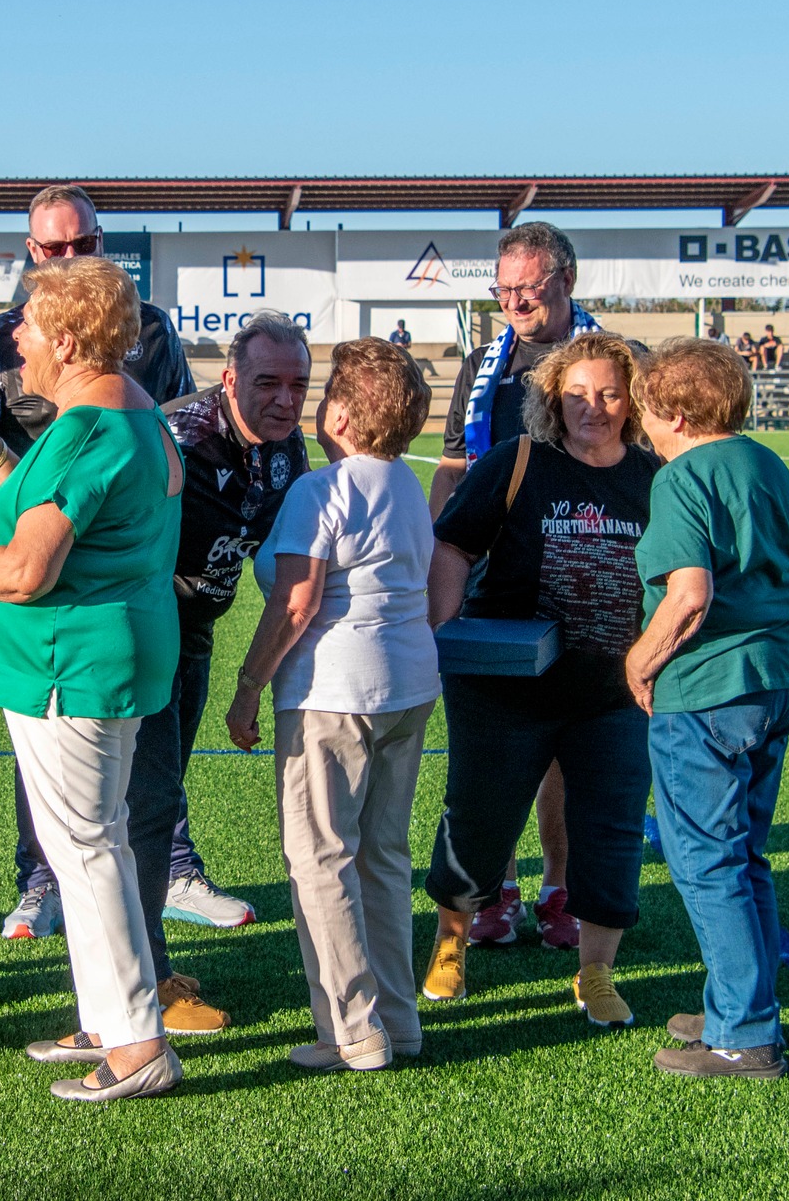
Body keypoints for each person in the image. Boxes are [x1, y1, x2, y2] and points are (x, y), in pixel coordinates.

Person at [0, 186, 244, 947]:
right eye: (53, 248)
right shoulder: (8, 336)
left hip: (134, 576)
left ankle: (169, 877)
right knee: (65, 769)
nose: (68, 257)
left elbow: (180, 432)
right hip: (58, 595)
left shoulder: (145, 338)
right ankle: (40, 882)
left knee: (138, 762)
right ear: (30, 254)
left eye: (81, 244)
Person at [0, 256, 186, 1102]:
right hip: (98, 658)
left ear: (68, 342)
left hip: (68, 667)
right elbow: (51, 506)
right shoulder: (131, 414)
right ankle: (111, 1020)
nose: (17, 344)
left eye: (29, 329)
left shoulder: (90, 430)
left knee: (86, 849)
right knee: (90, 843)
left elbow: (26, 571)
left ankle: (137, 1044)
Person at [421, 333, 658, 1028]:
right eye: (578, 392)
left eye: (610, 392)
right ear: (553, 397)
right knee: (480, 815)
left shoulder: (651, 476)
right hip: (504, 687)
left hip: (613, 695)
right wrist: (448, 636)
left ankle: (596, 970)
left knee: (610, 830)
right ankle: (449, 943)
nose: (594, 406)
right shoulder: (514, 460)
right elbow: (452, 542)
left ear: (632, 400)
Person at [224, 338, 437, 1071]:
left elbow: (298, 599)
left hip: (333, 693)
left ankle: (352, 1031)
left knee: (321, 860)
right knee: (383, 858)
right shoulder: (406, 480)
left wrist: (249, 684)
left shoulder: (322, 489)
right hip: (408, 687)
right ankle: (398, 1022)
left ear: (341, 416)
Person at [625, 339, 789, 1080]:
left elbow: (691, 592)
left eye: (645, 415)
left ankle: (745, 1030)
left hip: (710, 687)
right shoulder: (765, 461)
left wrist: (640, 660)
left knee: (707, 860)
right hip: (778, 676)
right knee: (745, 854)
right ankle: (740, 1001)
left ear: (672, 412)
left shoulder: (681, 476)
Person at [427, 222, 617, 950]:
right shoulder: (483, 364)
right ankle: (495, 889)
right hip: (490, 581)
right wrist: (437, 546)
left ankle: (559, 890)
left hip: (585, 575)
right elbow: (452, 465)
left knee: (568, 749)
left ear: (565, 281)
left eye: (526, 289)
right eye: (503, 289)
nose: (513, 302)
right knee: (489, 744)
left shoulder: (611, 360)